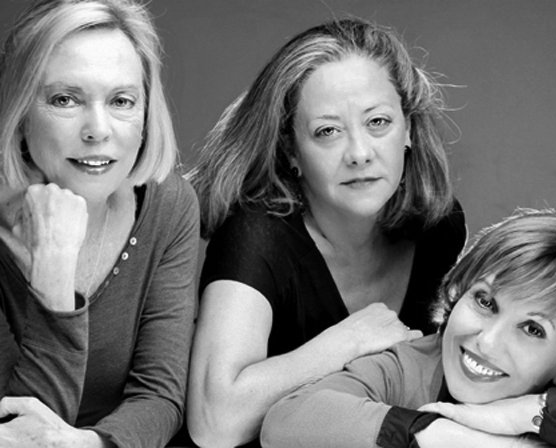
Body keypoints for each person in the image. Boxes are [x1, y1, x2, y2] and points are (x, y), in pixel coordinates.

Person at [187, 18, 466, 448]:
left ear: (408, 129)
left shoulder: (437, 226)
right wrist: (349, 341)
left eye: (378, 122)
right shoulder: (257, 236)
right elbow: (214, 423)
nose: (359, 153)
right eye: (328, 131)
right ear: (291, 151)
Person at [0, 1, 199, 447]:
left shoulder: (168, 205)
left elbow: (160, 396)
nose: (98, 130)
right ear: (20, 112)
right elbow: (19, 429)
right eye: (65, 99)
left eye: (121, 101)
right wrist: (54, 274)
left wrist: (92, 444)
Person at [261, 207, 556, 448]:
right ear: (459, 290)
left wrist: (531, 415)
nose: (487, 342)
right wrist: (439, 436)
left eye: (532, 329)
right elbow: (287, 420)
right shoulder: (409, 365)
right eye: (485, 302)